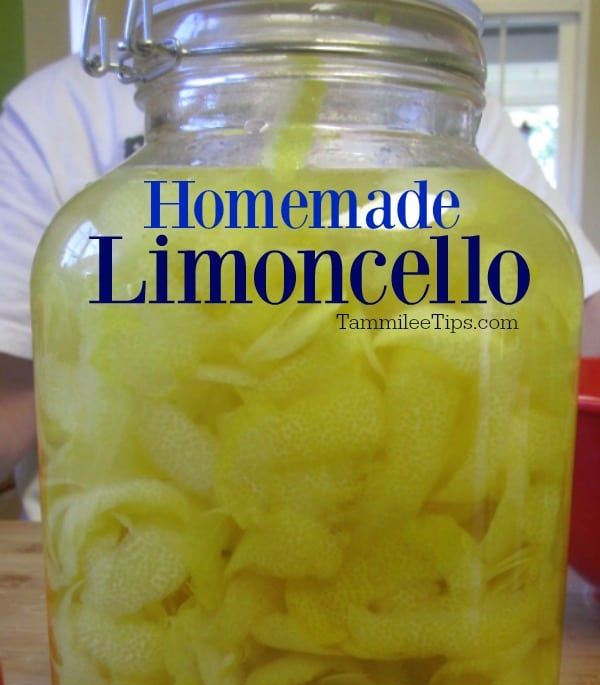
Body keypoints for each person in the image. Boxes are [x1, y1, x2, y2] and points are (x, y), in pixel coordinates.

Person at [1, 53, 600, 521]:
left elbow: (569, 323)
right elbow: (14, 401)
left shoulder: (445, 117)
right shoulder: (52, 115)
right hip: (117, 572)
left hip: (422, 538)